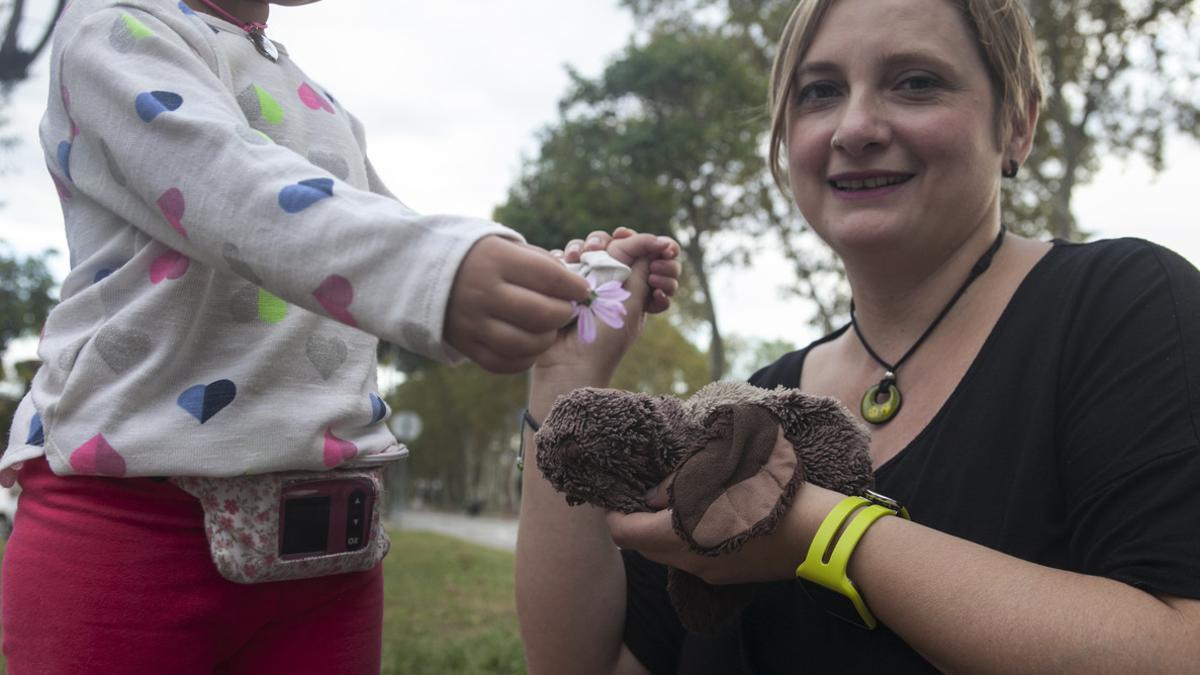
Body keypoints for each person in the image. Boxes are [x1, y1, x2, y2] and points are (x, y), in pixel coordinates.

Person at [515, 0, 1200, 672]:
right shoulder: (745, 407)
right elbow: (586, 662)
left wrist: (823, 532)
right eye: (820, 92)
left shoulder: (1126, 304)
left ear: (1016, 124)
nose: (856, 126)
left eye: (915, 82)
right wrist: (566, 370)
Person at [0, 0, 679, 672]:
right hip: (126, 525)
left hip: (330, 547)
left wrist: (560, 280)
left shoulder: (312, 96)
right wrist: (444, 271)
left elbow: (369, 230)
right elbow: (236, 189)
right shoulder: (113, 33)